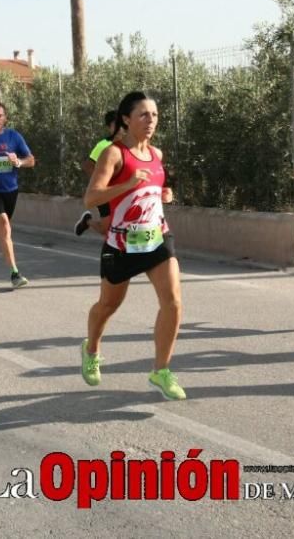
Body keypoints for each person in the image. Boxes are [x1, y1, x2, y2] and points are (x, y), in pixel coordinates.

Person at [80, 91, 184, 400]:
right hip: (122, 244)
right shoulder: (113, 154)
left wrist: (165, 195)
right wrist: (127, 184)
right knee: (108, 306)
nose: (150, 120)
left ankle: (161, 371)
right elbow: (92, 197)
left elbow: (156, 187)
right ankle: (91, 348)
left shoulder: (157, 154)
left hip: (156, 237)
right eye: (143, 114)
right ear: (126, 119)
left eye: (154, 115)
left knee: (173, 302)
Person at [0, 101, 35, 288]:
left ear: (5, 117)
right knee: (4, 225)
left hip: (11, 189)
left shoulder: (13, 136)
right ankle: (14, 274)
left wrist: (18, 162)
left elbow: (31, 160)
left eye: (0, 115)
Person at [75, 110, 121, 237]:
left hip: (122, 191)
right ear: (109, 127)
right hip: (104, 192)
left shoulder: (130, 144)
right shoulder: (103, 145)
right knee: (106, 230)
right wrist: (100, 184)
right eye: (115, 125)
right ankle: (88, 221)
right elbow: (88, 165)